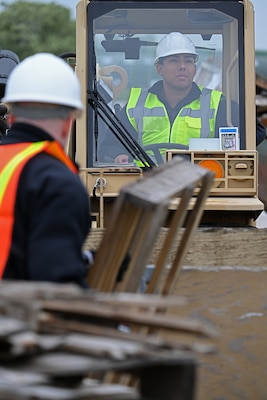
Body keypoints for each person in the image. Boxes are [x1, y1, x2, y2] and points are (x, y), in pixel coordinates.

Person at [98, 32, 266, 164]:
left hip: (201, 187)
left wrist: (222, 153)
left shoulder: (217, 104)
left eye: (188, 61)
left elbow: (256, 131)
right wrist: (119, 155)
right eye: (174, 60)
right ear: (159, 68)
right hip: (143, 186)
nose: (182, 67)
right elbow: (110, 145)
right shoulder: (137, 105)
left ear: (194, 67)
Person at [0, 53, 92, 287]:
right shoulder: (56, 183)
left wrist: (86, 260)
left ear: (11, 117)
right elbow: (57, 289)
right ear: (68, 121)